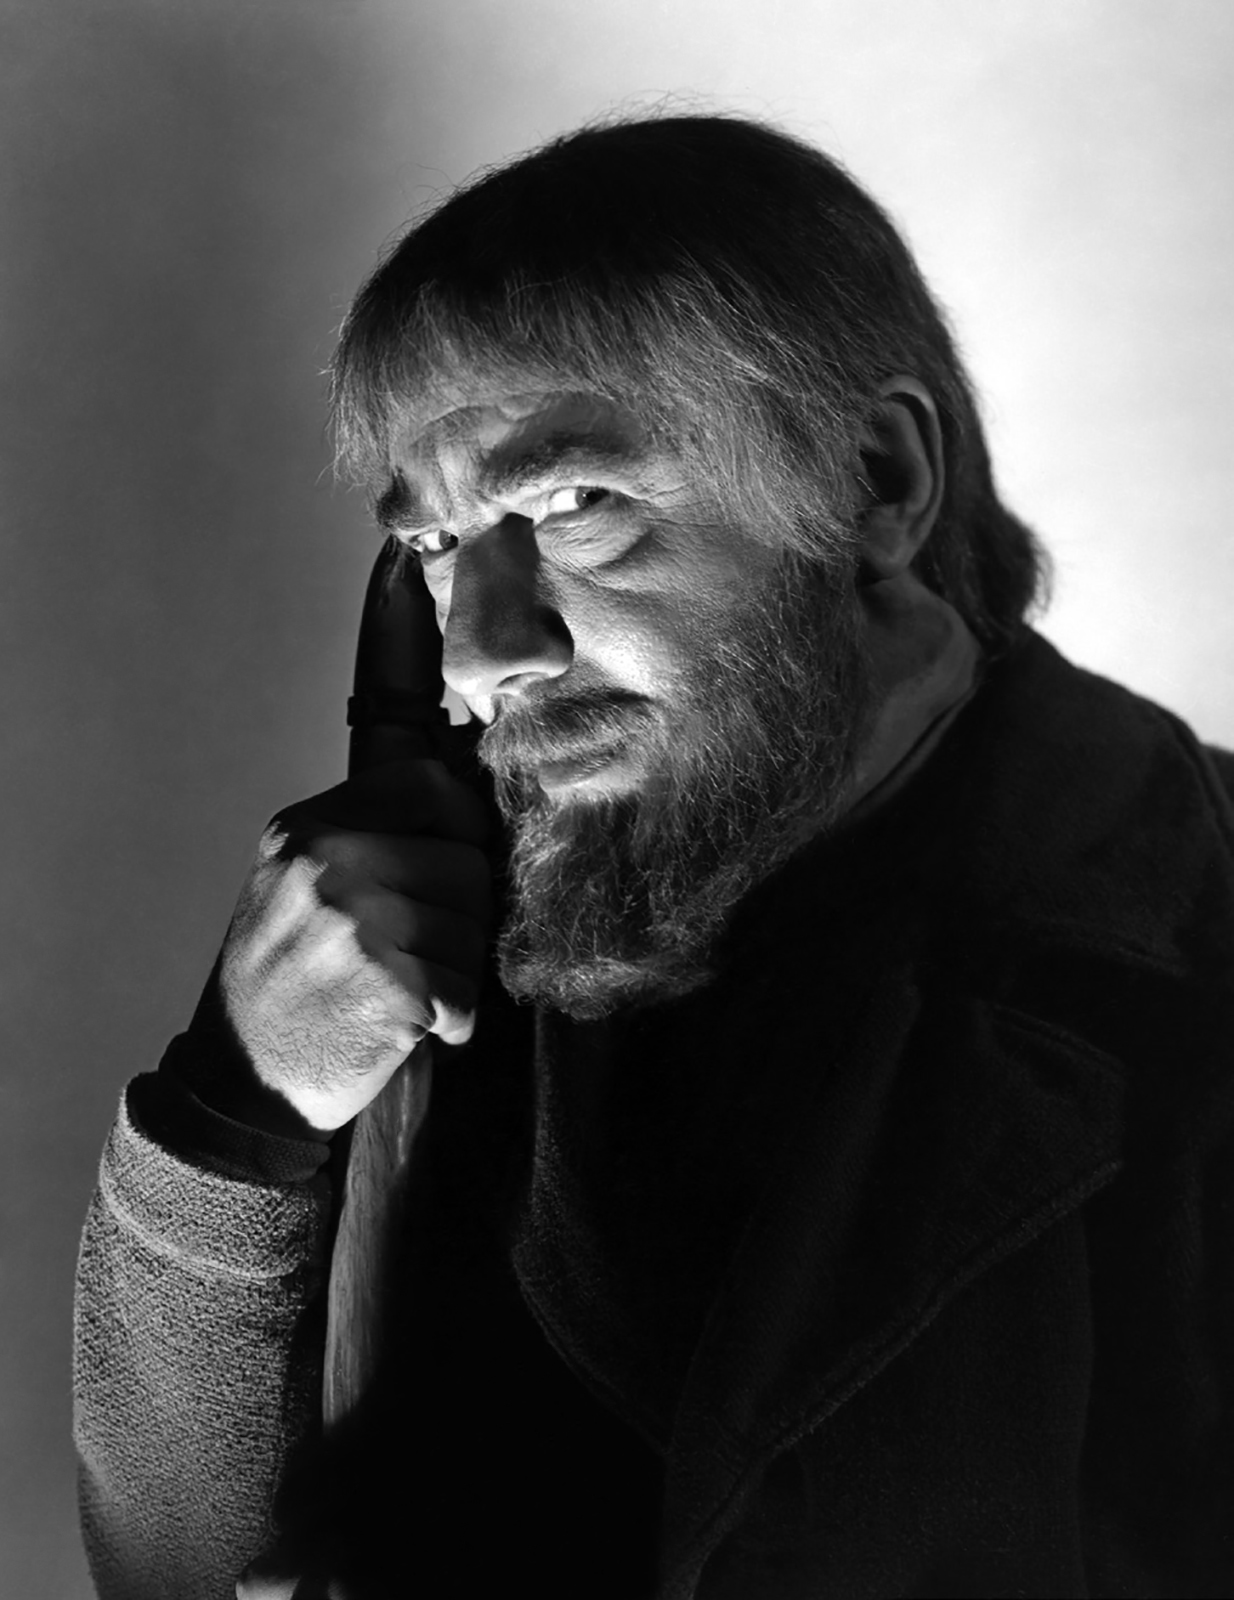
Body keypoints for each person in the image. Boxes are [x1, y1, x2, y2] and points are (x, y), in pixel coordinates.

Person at [73, 112, 1234, 1600]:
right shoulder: (422, 919)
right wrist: (236, 1111)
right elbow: (168, 1571)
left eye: (574, 504)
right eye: (436, 545)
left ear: (874, 479)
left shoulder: (1193, 936)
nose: (481, 654)